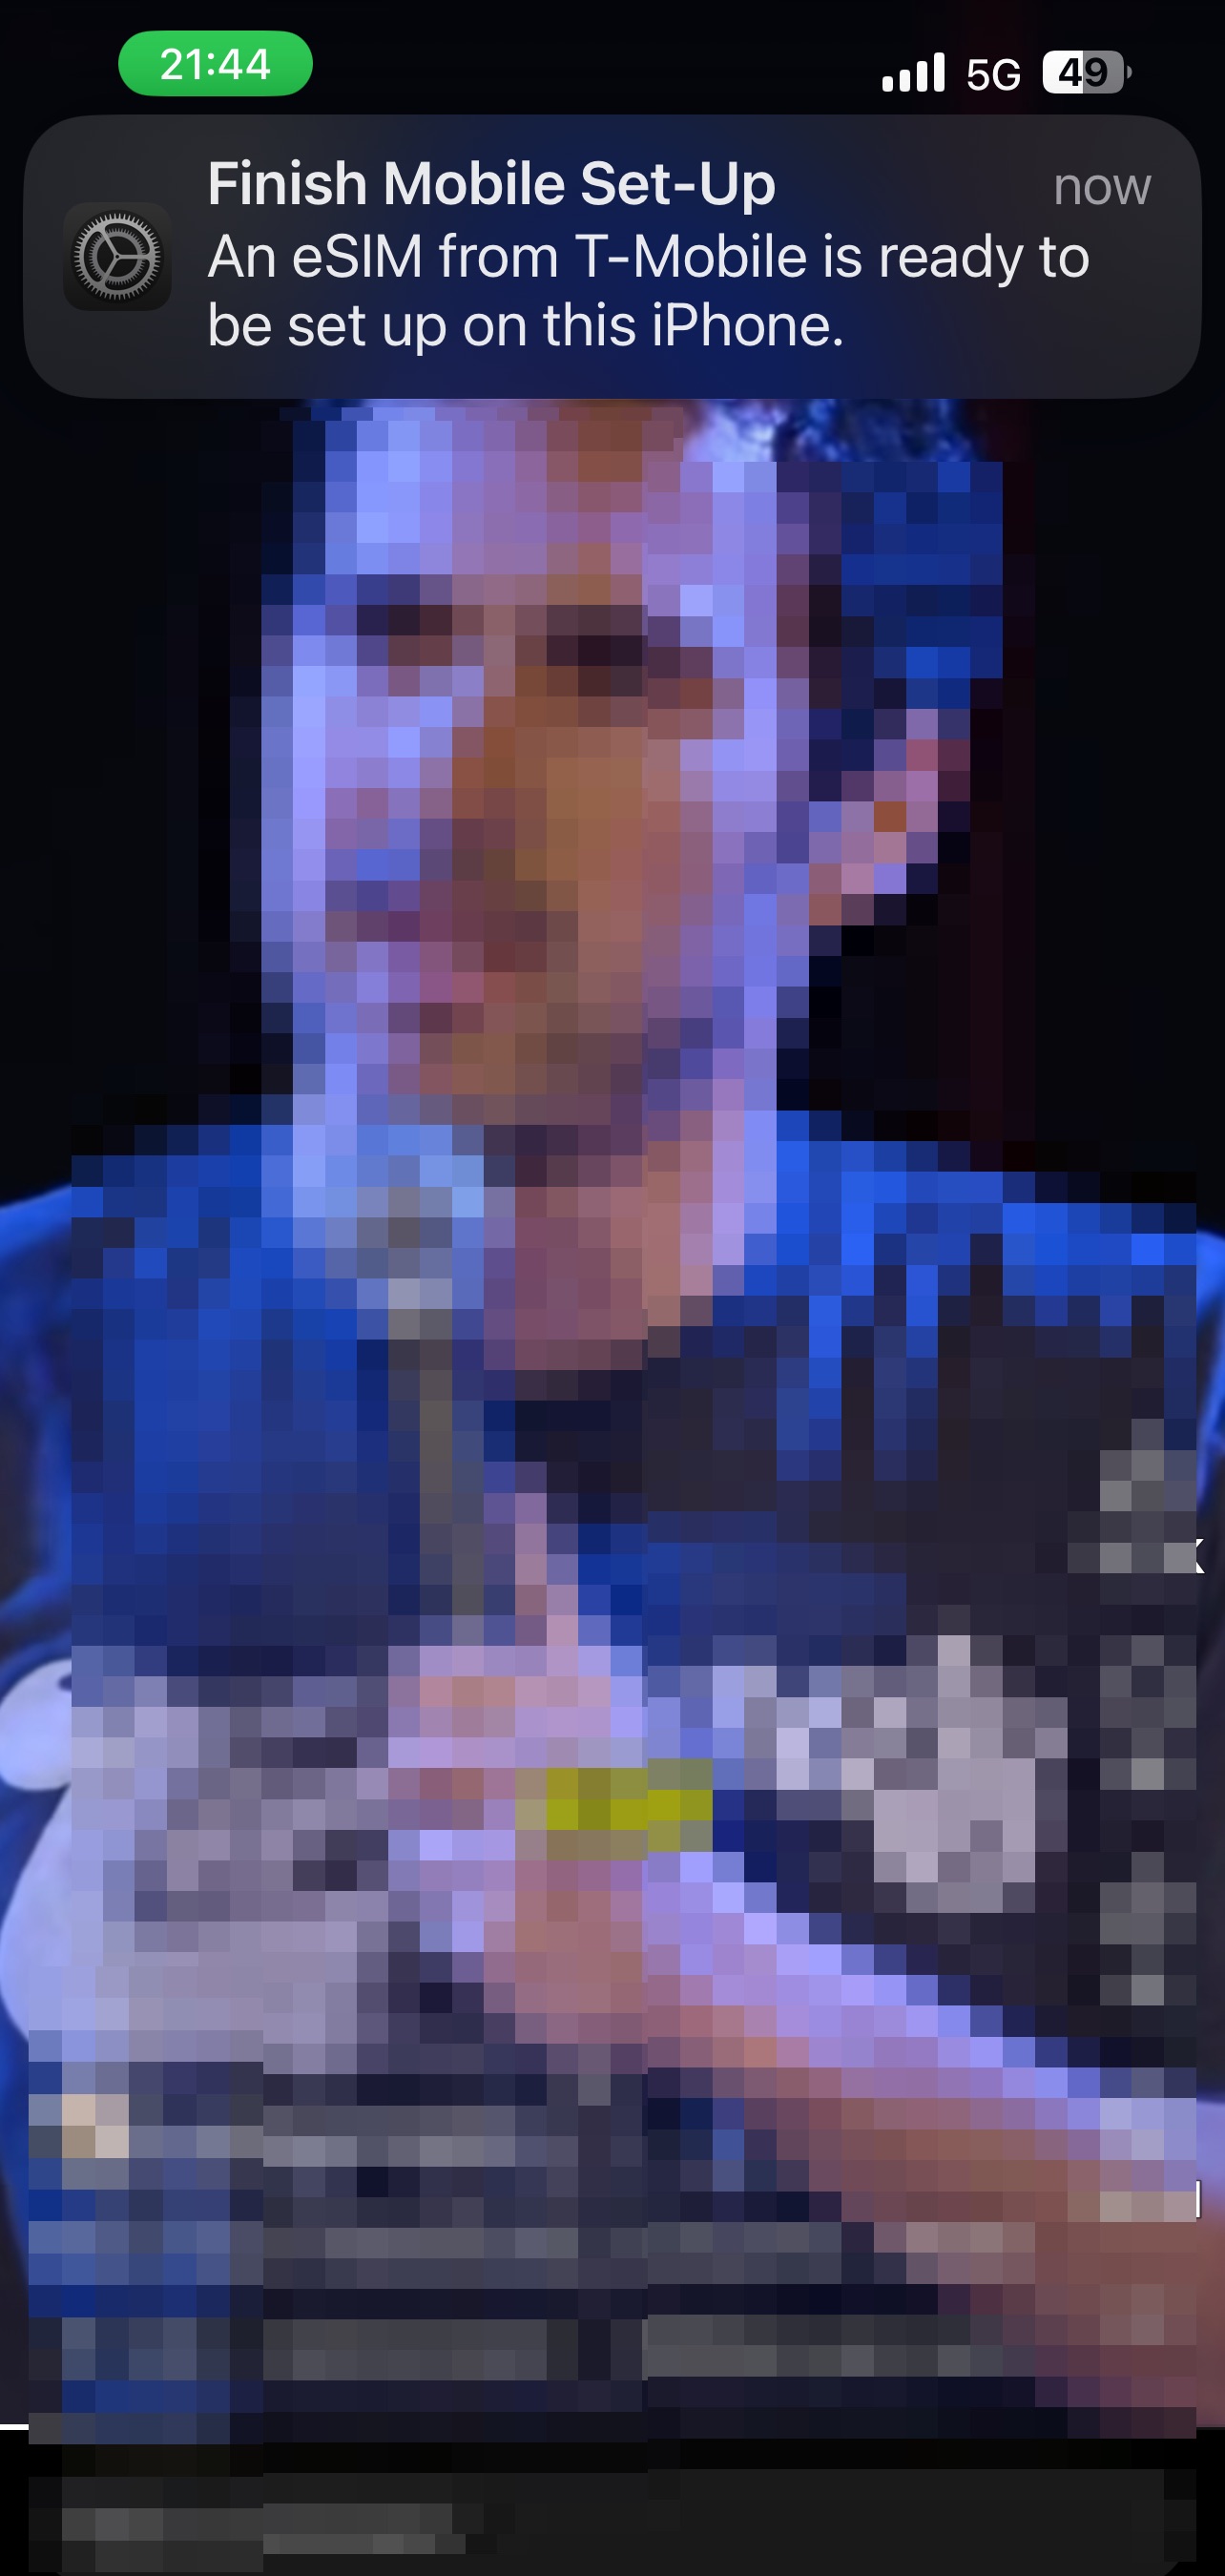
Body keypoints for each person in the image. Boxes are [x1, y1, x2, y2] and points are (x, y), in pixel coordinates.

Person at [0, 397, 1219, 2436]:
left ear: (879, 810)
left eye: (612, 670)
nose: (441, 772)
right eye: (387, 632)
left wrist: (714, 1970)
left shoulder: (1157, 1385)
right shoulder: (25, 1370)